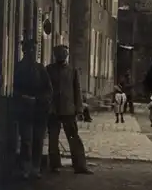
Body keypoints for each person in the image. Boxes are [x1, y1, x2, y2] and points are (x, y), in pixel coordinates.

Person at [46, 45, 93, 174]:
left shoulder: (73, 71)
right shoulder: (49, 70)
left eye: (64, 53)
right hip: (53, 110)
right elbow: (45, 90)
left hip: (68, 110)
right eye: (59, 54)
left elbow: (77, 91)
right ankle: (54, 165)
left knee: (74, 138)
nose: (62, 56)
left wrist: (79, 109)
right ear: (55, 55)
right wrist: (48, 106)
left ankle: (80, 166)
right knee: (53, 139)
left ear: (67, 55)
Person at [13, 39, 53, 179]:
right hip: (25, 111)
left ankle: (36, 168)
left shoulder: (41, 69)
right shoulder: (18, 68)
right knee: (26, 140)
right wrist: (23, 97)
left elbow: (49, 90)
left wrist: (38, 99)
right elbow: (13, 89)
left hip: (39, 111)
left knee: (38, 139)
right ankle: (25, 167)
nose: (32, 53)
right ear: (24, 51)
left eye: (34, 50)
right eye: (29, 50)